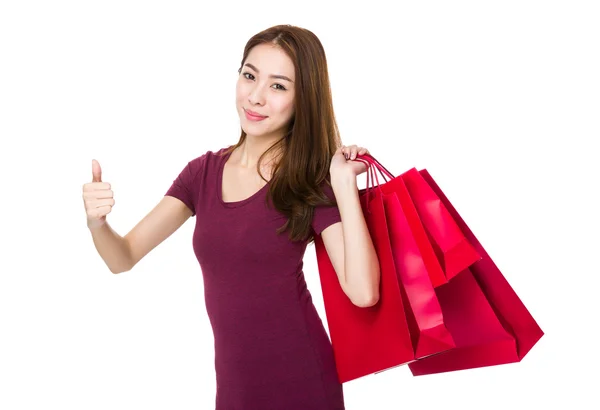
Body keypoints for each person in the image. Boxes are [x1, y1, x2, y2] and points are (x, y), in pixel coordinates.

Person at [83, 24, 380, 410]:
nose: (255, 97)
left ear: (303, 99)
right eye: (249, 76)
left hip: (303, 381)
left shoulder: (308, 182)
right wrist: (97, 224)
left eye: (278, 86)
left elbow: (363, 292)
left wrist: (342, 184)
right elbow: (121, 258)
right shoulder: (201, 174)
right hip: (236, 390)